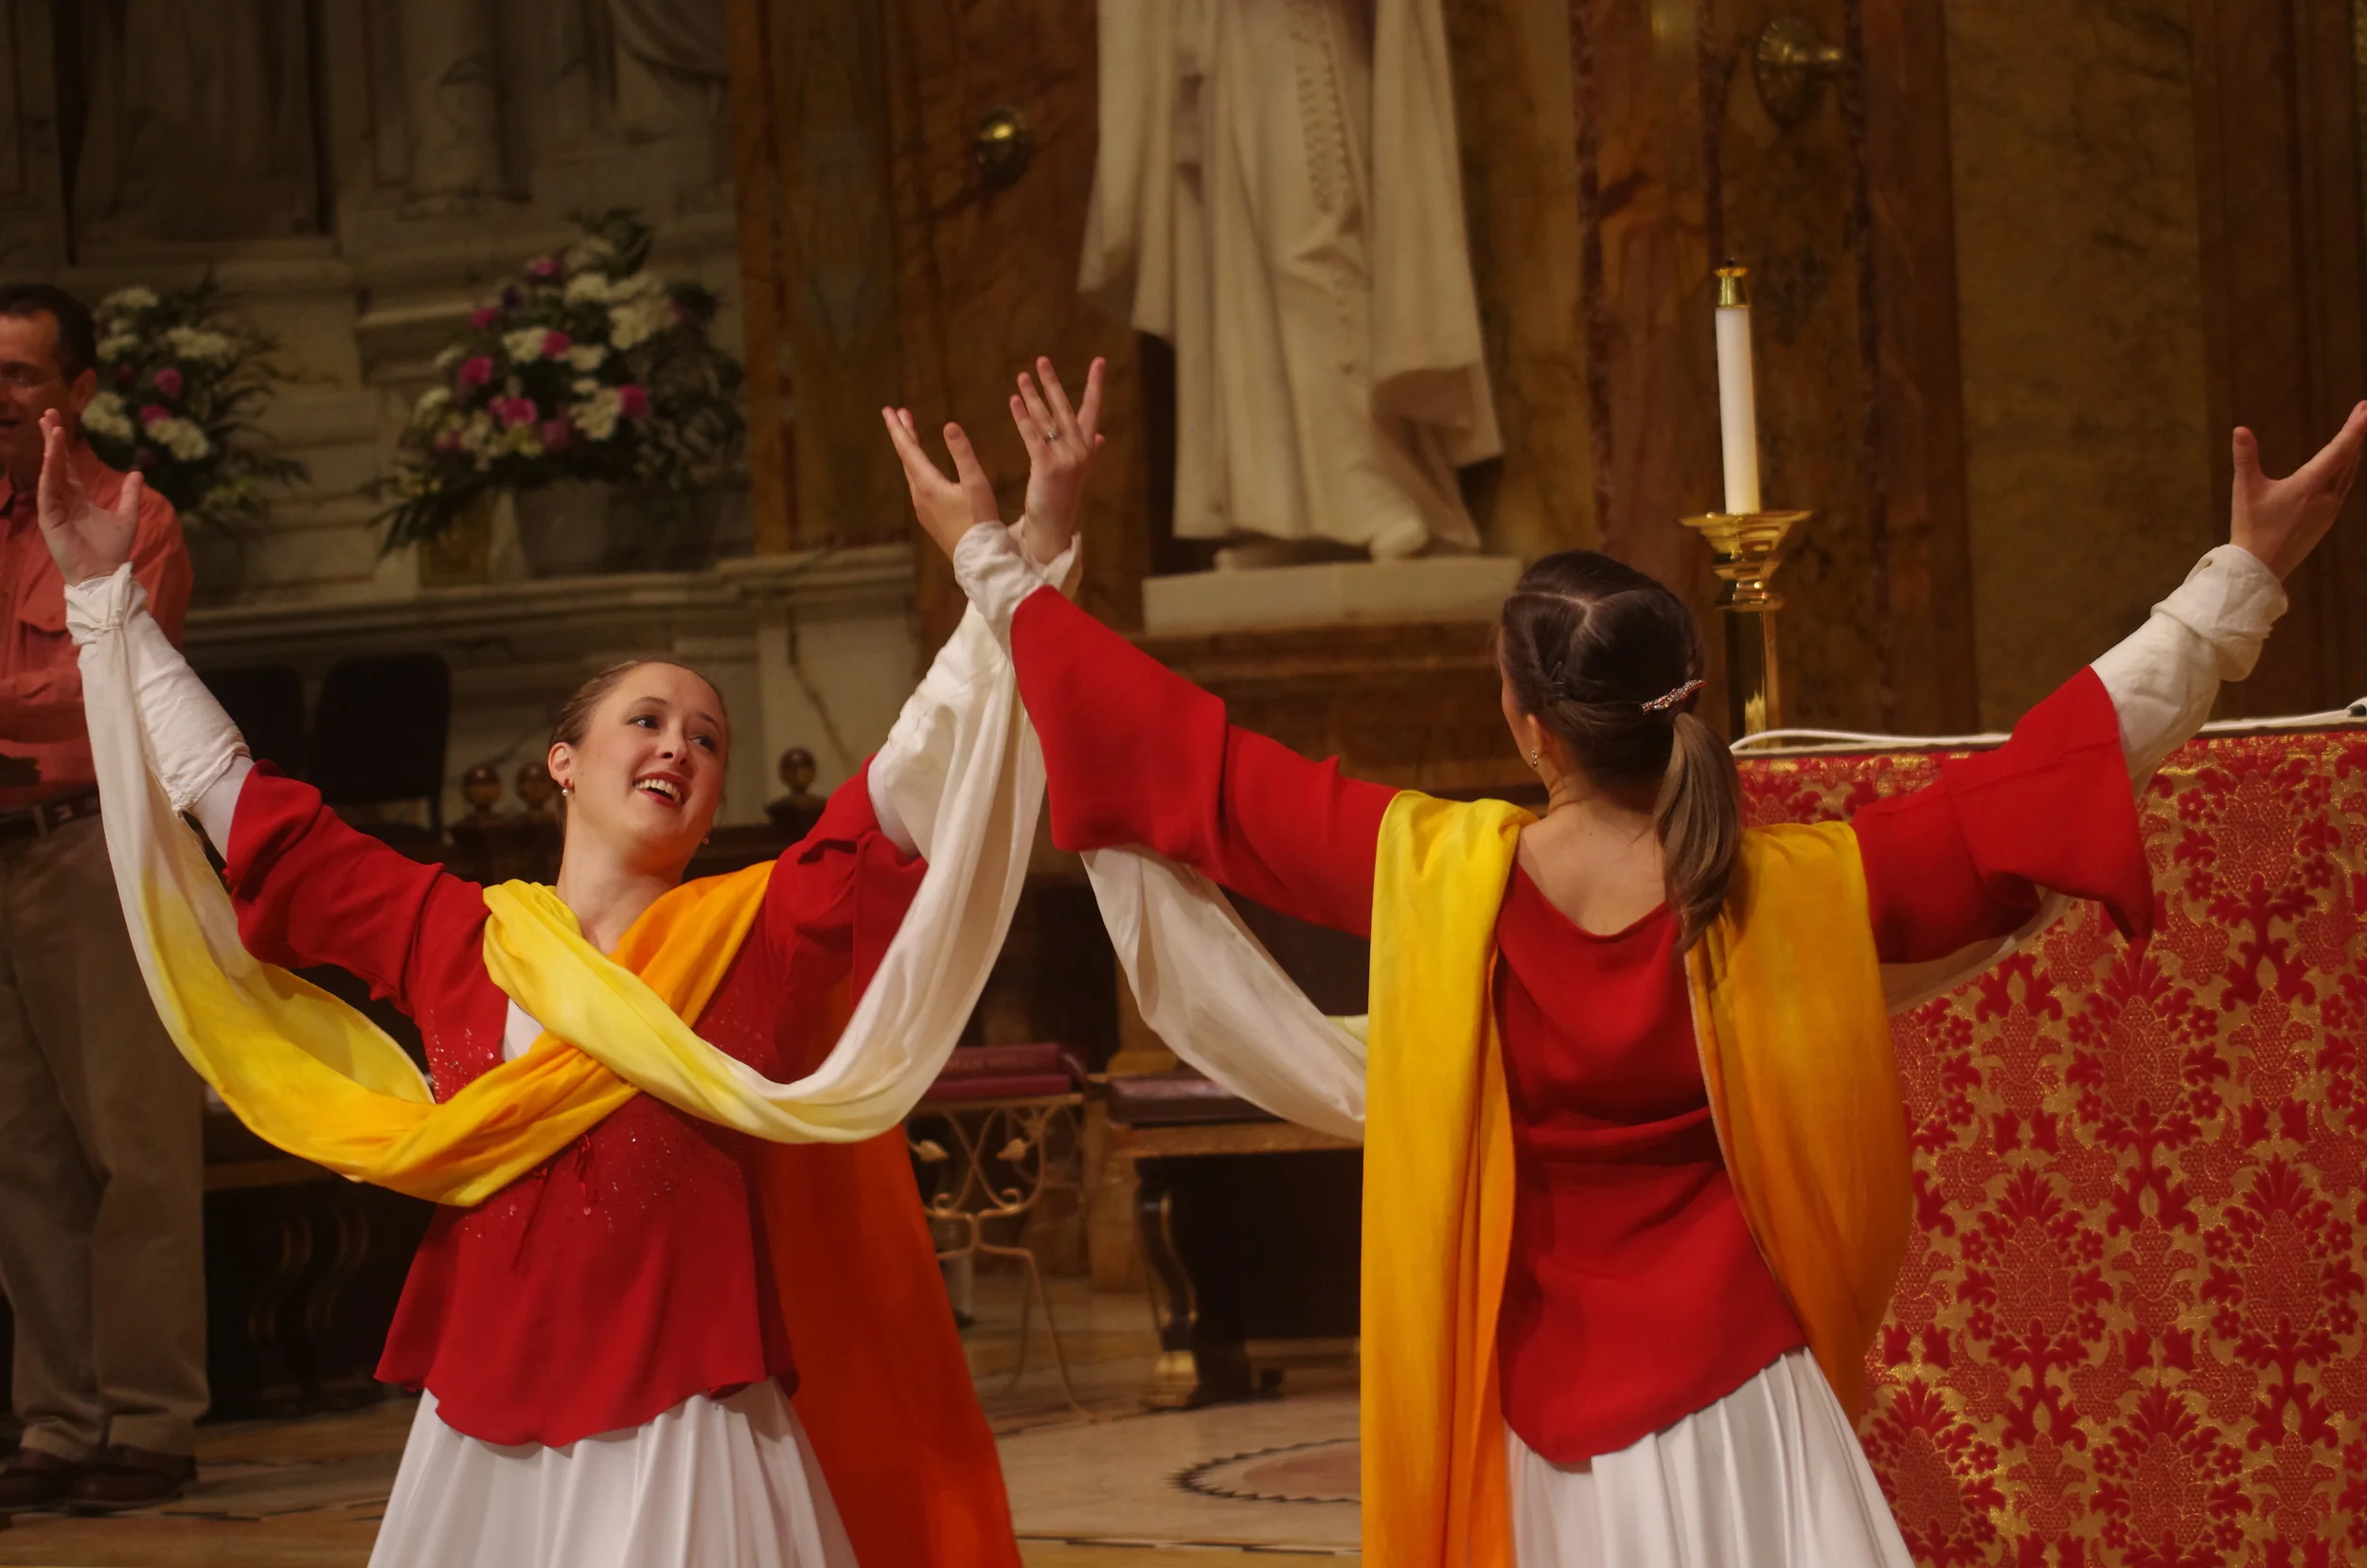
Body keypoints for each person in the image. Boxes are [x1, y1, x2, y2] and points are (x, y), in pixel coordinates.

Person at [889, 362, 2367, 1567]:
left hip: (1541, 1428)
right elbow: (2050, 774)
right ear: (1677, 710)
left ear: (1531, 726)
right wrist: (2238, 579)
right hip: (1749, 1414)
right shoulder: (1786, 889)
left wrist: (999, 558)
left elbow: (1182, 756)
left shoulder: (1433, 874)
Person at [34, 396, 1079, 1566]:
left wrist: (1014, 551)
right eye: (648, 719)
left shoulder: (761, 927)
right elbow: (241, 802)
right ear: (564, 765)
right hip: (485, 1421)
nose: (679, 745)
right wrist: (108, 605)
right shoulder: (454, 934)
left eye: (707, 736)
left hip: (698, 1412)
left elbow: (924, 765)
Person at [0, 283, 203, 1514]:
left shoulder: (134, 518)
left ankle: (150, 1416)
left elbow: (115, 688)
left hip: (92, 849)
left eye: (20, 374)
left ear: (76, 392)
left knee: (132, 1147)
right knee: (19, 1158)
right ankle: (58, 1419)